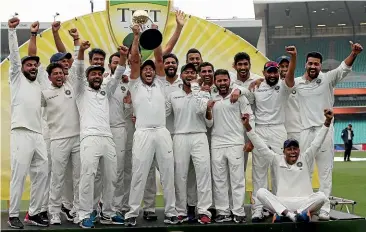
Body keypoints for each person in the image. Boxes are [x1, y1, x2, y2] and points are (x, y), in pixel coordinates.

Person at [295, 42, 363, 220]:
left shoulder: (327, 78)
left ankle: (324, 208)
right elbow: (280, 84)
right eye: (310, 63)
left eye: (316, 64)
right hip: (304, 132)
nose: (313, 66)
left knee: (325, 172)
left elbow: (343, 68)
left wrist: (353, 54)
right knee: (304, 172)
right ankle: (307, 206)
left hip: (324, 130)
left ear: (320, 65)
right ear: (305, 64)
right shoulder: (297, 83)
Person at [124, 24, 178, 227]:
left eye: (151, 70)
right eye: (145, 69)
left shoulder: (161, 84)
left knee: (167, 174)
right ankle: (132, 212)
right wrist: (137, 36)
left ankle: (171, 212)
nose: (148, 71)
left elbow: (159, 59)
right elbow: (136, 59)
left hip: (162, 133)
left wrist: (155, 35)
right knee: (139, 173)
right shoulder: (135, 85)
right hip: (143, 133)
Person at [242, 109, 333, 223]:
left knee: (321, 196)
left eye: (295, 149)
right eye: (289, 149)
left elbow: (317, 142)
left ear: (299, 150)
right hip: (282, 202)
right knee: (261, 192)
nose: (293, 152)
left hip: (303, 202)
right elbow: (260, 146)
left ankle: (291, 214)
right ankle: (293, 215)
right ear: (284, 151)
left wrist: (327, 122)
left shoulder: (305, 157)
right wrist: (247, 127)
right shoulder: (276, 159)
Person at [74, 41, 127, 228]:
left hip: (108, 137)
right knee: (88, 176)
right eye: (93, 74)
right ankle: (84, 214)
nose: (96, 76)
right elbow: (78, 70)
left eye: (99, 73)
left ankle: (108, 213)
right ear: (87, 77)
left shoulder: (106, 89)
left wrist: (123, 55)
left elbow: (119, 72)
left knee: (112, 177)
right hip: (89, 138)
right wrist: (80, 50)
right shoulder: (80, 91)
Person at [7, 17, 49, 229]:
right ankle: (13, 214)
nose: (32, 67)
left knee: (43, 171)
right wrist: (12, 31)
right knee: (19, 174)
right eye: (29, 64)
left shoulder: (38, 83)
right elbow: (15, 57)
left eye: (35, 65)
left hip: (37, 134)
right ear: (22, 68)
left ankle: (33, 212)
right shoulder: (16, 77)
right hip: (21, 132)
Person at [248, 46, 296, 222]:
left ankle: (279, 209)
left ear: (278, 73)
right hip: (260, 129)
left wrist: (293, 58)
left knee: (278, 171)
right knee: (259, 171)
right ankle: (258, 209)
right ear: (264, 73)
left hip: (277, 129)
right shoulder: (256, 87)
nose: (272, 75)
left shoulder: (283, 87)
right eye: (269, 72)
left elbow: (289, 77)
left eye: (275, 72)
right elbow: (247, 102)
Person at [166, 63, 213, 224]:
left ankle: (204, 211)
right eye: (187, 72)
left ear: (196, 76)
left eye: (193, 73)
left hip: (199, 135)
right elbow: (163, 113)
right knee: (180, 175)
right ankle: (181, 211)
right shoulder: (173, 95)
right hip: (179, 136)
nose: (190, 75)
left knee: (203, 174)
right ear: (181, 75)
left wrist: (196, 89)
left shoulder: (203, 93)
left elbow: (201, 110)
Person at [210, 69, 254, 223]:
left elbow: (250, 118)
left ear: (230, 81)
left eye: (225, 80)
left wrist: (250, 140)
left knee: (237, 179)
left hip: (236, 142)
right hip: (217, 143)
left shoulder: (239, 96)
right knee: (219, 179)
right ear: (215, 82)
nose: (222, 83)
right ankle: (223, 211)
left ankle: (238, 211)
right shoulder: (212, 96)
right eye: (219, 81)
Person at [41, 63, 81, 225]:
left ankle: (77, 210)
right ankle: (55, 212)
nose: (59, 75)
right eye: (55, 73)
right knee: (57, 178)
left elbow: (77, 66)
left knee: (78, 178)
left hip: (77, 139)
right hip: (57, 140)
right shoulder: (44, 93)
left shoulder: (71, 86)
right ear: (49, 77)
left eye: (61, 73)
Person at [102, 52, 132, 218]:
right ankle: (102, 205)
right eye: (114, 62)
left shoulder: (126, 85)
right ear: (109, 65)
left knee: (119, 170)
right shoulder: (104, 82)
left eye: (119, 62)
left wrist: (128, 107)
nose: (116, 64)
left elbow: (127, 114)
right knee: (102, 171)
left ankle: (117, 206)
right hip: (103, 130)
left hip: (120, 129)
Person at [276, 55, 301, 141]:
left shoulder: (299, 83)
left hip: (296, 130)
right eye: (282, 66)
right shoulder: (272, 86)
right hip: (279, 130)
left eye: (287, 66)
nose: (285, 69)